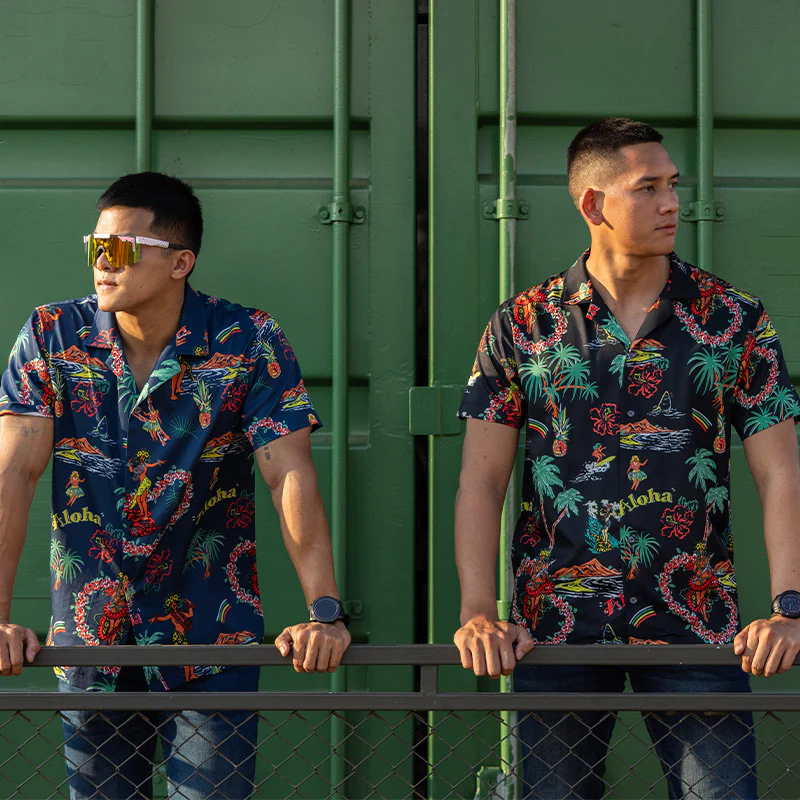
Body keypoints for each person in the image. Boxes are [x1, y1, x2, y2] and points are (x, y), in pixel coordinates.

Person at [453, 117, 800, 799]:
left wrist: (789, 606)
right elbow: (481, 478)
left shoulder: (733, 319)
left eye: (672, 184)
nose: (672, 202)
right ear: (594, 203)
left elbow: (779, 469)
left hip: (695, 624)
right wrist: (477, 609)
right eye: (648, 188)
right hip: (556, 627)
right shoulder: (523, 324)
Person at [0, 172, 351, 799]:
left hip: (210, 639)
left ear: (180, 262)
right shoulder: (53, 336)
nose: (103, 263)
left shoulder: (248, 340)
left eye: (121, 249)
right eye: (95, 246)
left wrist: (324, 612)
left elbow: (289, 473)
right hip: (91, 640)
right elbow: (14, 473)